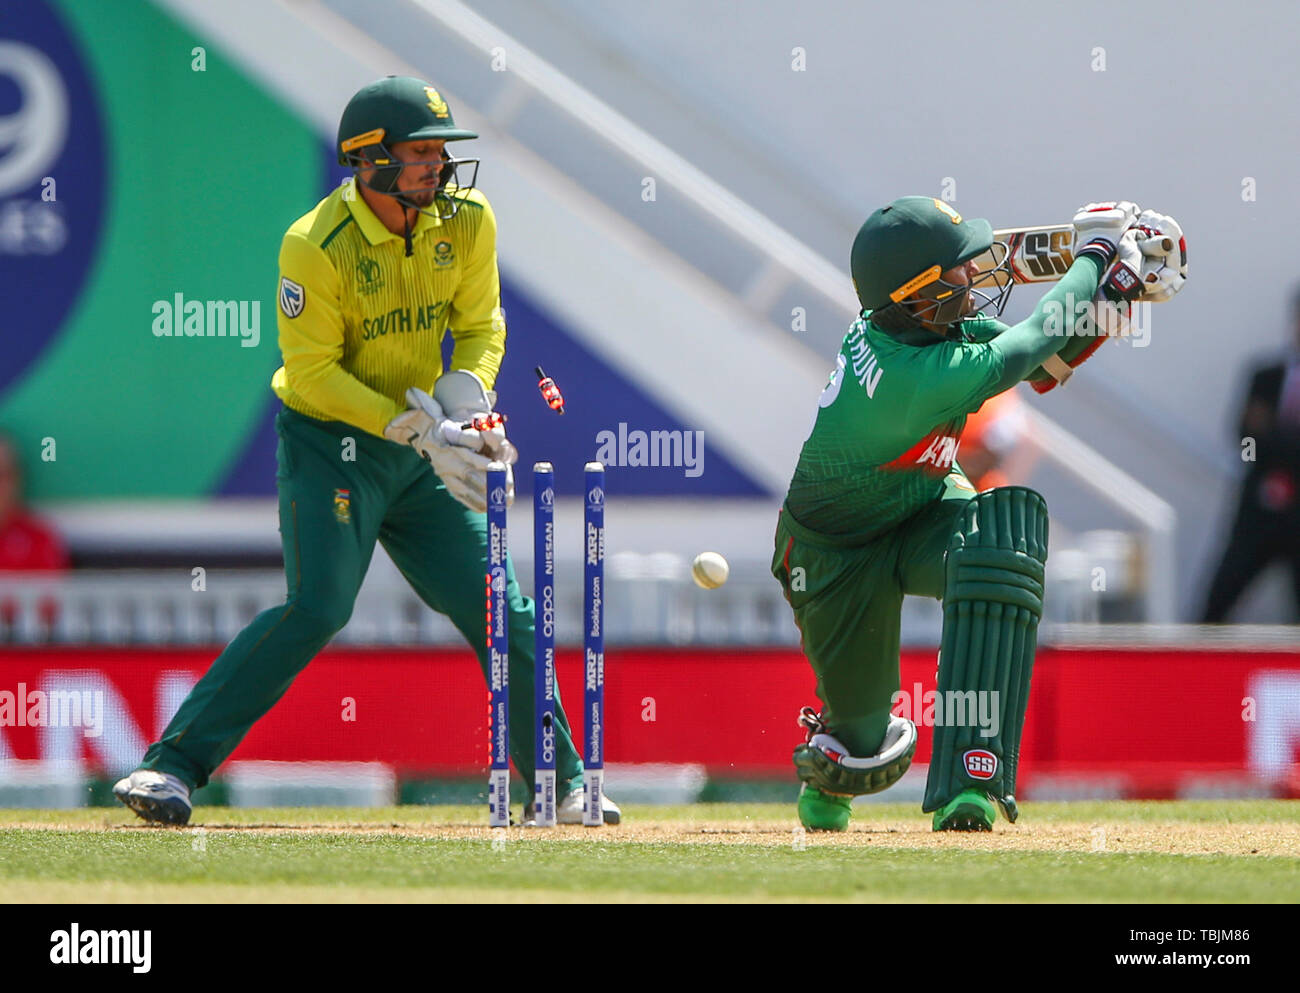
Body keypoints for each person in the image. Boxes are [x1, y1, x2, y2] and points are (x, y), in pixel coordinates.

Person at [114, 76, 618, 826]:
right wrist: (409, 426)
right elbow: (313, 371)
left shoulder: (468, 220)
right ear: (369, 158)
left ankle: (564, 780)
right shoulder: (315, 243)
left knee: (503, 608)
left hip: (426, 445)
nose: (439, 166)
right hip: (331, 443)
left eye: (442, 151)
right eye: (421, 152)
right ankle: (172, 766)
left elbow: (482, 325)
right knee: (319, 605)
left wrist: (467, 402)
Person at [771, 197, 1186, 831]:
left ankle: (975, 777)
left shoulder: (917, 329)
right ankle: (840, 745)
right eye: (958, 273)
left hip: (924, 507)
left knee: (999, 547)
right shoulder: (916, 372)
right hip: (835, 553)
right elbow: (1032, 343)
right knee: (862, 750)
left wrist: (1116, 290)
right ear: (915, 295)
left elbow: (1049, 362)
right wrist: (1096, 258)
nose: (975, 279)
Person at [1200, 288, 1300, 621]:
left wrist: (1272, 437)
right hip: (1257, 510)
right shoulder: (1264, 376)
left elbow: (1261, 436)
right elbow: (1245, 441)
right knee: (1217, 604)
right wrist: (1266, 449)